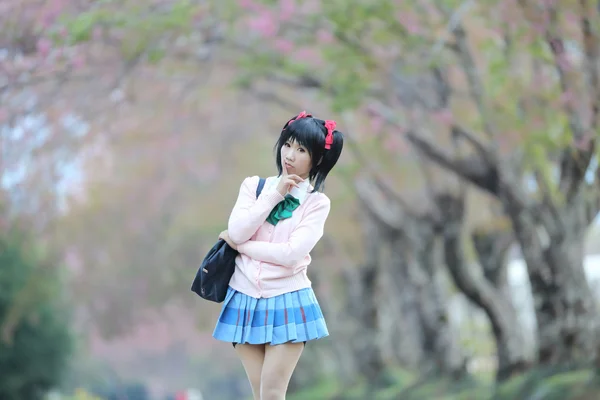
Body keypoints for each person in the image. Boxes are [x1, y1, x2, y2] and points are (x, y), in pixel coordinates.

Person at [212, 111, 344, 400]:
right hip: (243, 299)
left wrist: (241, 246)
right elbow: (237, 228)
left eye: (301, 150)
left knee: (272, 394)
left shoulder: (316, 203)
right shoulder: (253, 187)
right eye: (288, 144)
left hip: (289, 299)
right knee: (260, 393)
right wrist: (273, 195)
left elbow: (290, 254)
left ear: (317, 159)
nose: (290, 155)